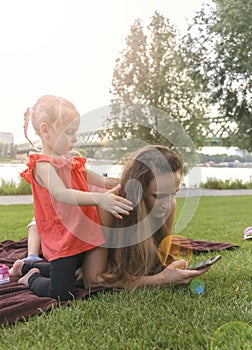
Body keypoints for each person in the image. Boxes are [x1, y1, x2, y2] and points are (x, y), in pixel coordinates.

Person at [9, 94, 132, 301]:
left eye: (75, 132)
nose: (75, 139)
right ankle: (29, 276)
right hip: (63, 238)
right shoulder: (43, 165)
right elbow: (61, 193)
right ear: (46, 130)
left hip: (81, 231)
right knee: (62, 294)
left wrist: (123, 181)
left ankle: (26, 265)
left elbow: (101, 181)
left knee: (71, 272)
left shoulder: (71, 160)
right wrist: (100, 199)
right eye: (69, 132)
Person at [99, 145, 210, 288]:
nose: (167, 205)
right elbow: (94, 280)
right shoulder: (109, 208)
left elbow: (159, 259)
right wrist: (160, 280)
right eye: (158, 196)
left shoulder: (170, 205)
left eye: (173, 194)